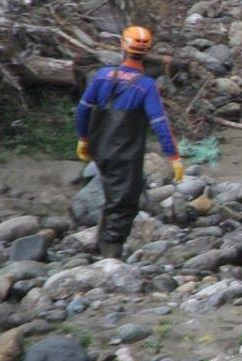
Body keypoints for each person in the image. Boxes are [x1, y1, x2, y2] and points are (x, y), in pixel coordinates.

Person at [76, 26, 184, 258]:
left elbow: (83, 109)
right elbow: (159, 123)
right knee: (124, 204)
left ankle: (99, 246)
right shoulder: (145, 86)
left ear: (122, 47)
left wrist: (83, 139)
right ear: (146, 52)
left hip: (99, 148)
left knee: (111, 196)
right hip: (124, 154)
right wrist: (173, 156)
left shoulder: (102, 75)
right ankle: (110, 260)